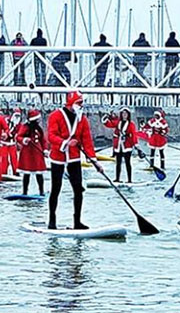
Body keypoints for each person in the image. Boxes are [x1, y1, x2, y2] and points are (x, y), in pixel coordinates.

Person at [47, 91, 103, 229]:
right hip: (58, 157)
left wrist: (95, 161)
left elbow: (87, 141)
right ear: (71, 102)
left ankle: (77, 221)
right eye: (79, 102)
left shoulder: (82, 119)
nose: (81, 105)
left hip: (74, 157)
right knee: (56, 188)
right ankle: (52, 220)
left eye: (82, 103)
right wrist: (65, 143)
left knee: (78, 189)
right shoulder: (55, 116)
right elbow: (51, 136)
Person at [102, 108, 138, 183]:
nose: (124, 115)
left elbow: (134, 135)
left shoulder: (131, 124)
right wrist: (106, 118)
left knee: (128, 163)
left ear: (128, 115)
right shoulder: (118, 122)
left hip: (127, 145)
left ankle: (129, 180)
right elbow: (109, 124)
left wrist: (135, 144)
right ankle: (117, 178)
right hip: (118, 145)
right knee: (118, 163)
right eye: (123, 113)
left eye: (126, 114)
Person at [17, 109, 47, 195]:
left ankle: (41, 191)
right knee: (27, 174)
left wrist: (45, 150)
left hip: (38, 153)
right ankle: (25, 192)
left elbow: (43, 140)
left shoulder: (39, 129)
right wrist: (24, 139)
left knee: (39, 174)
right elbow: (18, 137)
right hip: (28, 153)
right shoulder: (25, 127)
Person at [1, 108, 22, 176]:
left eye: (18, 116)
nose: (17, 117)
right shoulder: (6, 121)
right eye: (16, 115)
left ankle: (15, 171)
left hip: (12, 143)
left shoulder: (19, 125)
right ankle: (3, 172)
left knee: (14, 158)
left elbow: (20, 133)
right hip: (4, 143)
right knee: (4, 158)